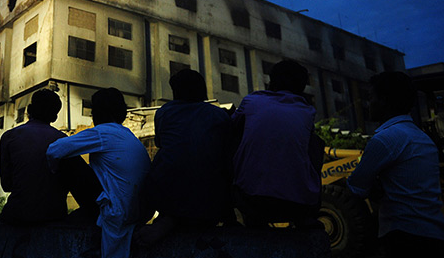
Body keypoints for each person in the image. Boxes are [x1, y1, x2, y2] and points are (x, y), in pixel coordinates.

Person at [347, 72, 444, 258]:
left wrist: (375, 188)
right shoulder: (423, 139)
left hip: (404, 239)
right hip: (436, 235)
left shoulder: (384, 139)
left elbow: (356, 185)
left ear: (385, 100)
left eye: (372, 97)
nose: (368, 103)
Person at [47, 87, 151, 258]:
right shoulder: (127, 135)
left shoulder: (104, 132)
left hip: (116, 210)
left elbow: (54, 150)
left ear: (97, 113)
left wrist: (53, 171)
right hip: (136, 212)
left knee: (67, 159)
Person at [137, 69, 234, 245]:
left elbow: (160, 143)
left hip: (165, 192)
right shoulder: (219, 115)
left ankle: (170, 220)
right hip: (206, 198)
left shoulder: (164, 112)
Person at [231, 60, 323, 226]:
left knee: (231, 133)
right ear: (301, 88)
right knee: (316, 143)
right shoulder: (307, 110)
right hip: (297, 204)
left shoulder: (252, 100)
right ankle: (307, 215)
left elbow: (230, 131)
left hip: (251, 200)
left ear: (271, 81)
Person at [0, 89, 100, 225]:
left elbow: (7, 185)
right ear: (55, 117)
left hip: (16, 216)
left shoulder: (9, 136)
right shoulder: (62, 141)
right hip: (53, 217)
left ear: (29, 109)